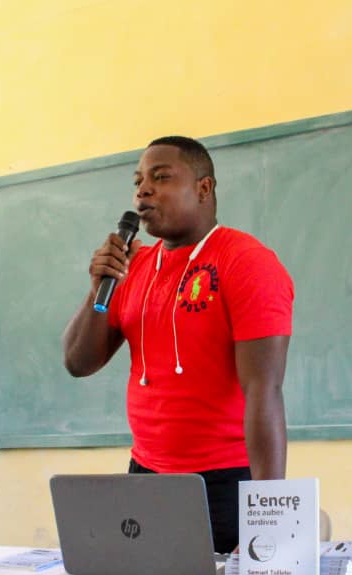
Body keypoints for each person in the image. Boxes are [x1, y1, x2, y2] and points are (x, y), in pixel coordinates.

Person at [63, 136, 294, 552]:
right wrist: (99, 287)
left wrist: (268, 512)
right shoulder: (135, 267)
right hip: (146, 476)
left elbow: (265, 390)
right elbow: (79, 362)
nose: (143, 190)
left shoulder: (246, 262)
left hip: (225, 482)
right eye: (139, 180)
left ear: (204, 188)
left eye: (161, 177)